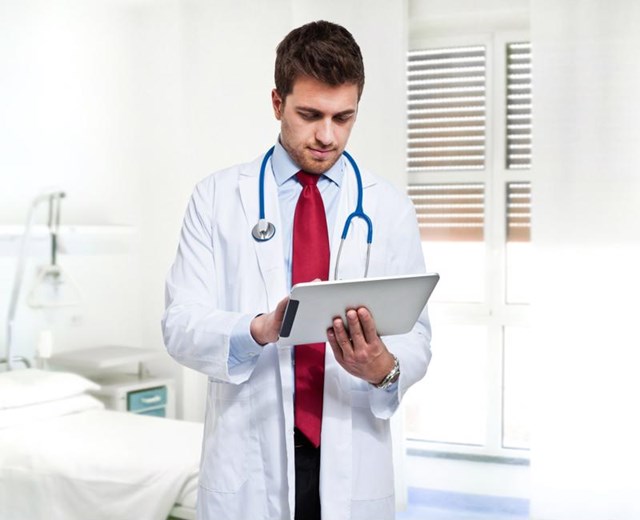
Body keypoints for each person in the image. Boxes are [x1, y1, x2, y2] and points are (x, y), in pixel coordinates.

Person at [162, 20, 432, 520]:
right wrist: (257, 330)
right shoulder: (217, 199)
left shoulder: (389, 208)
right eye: (310, 115)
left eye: (343, 118)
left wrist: (384, 369)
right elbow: (180, 325)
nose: (327, 136)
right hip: (252, 450)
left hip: (350, 445)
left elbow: (416, 335)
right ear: (277, 103)